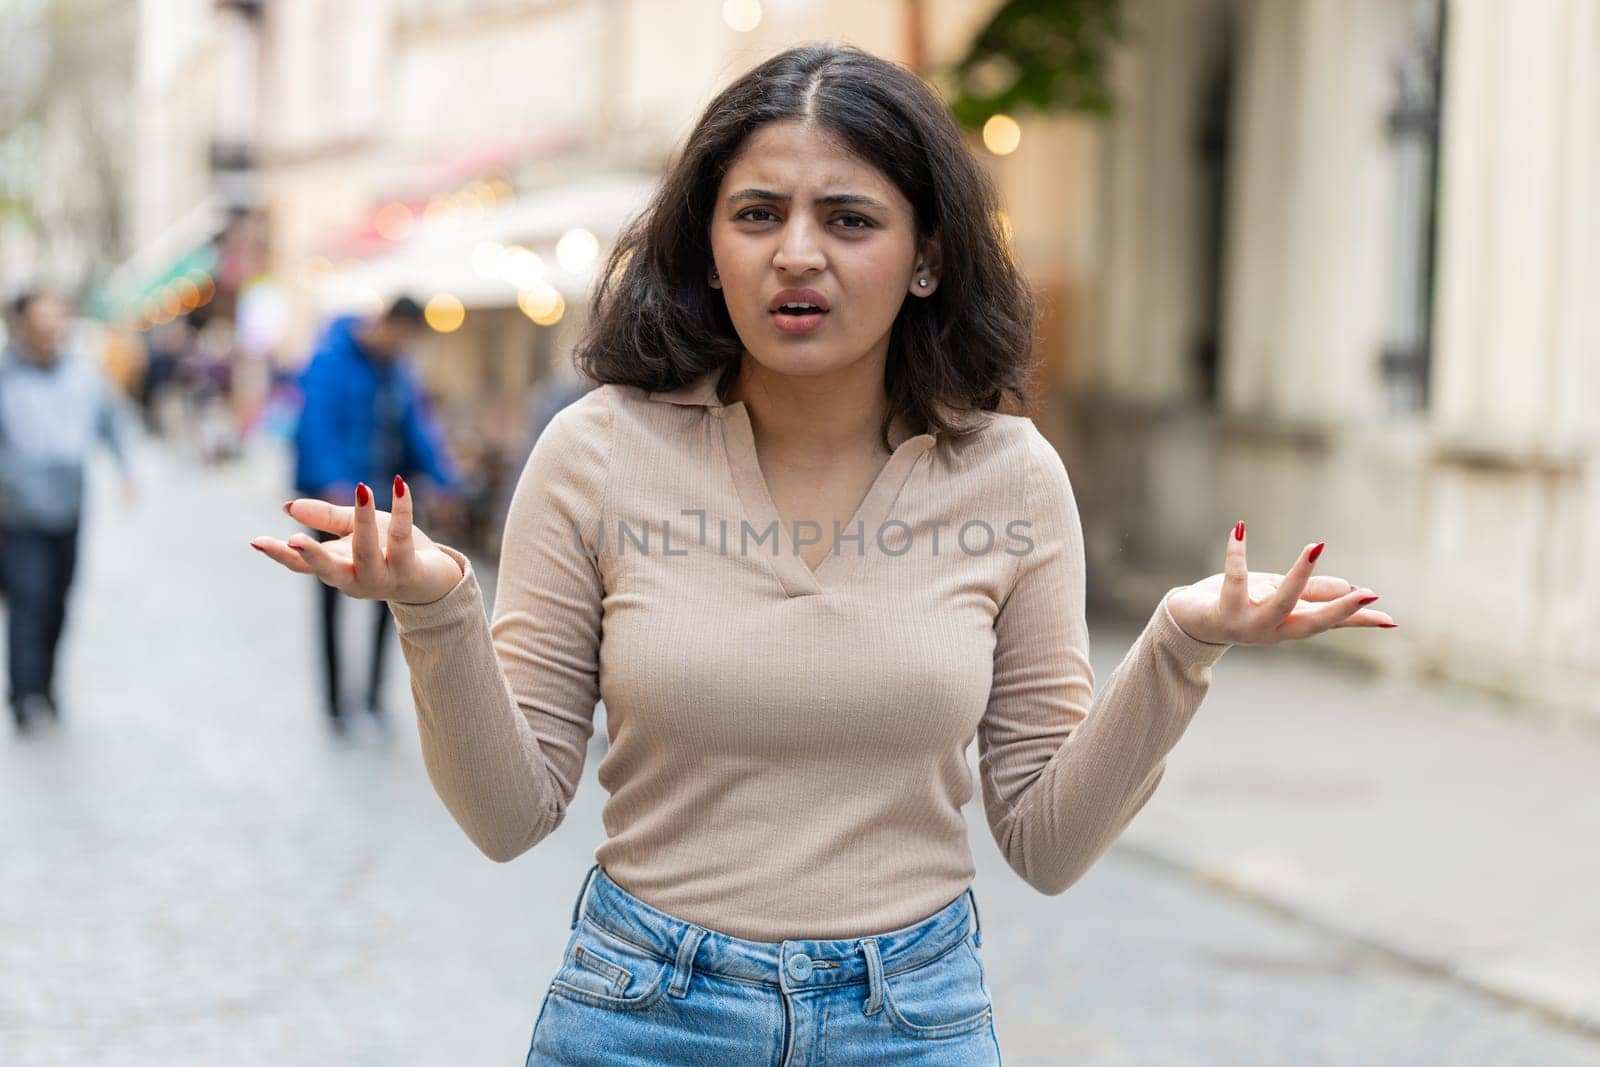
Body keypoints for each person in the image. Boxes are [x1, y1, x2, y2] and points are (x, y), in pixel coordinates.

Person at [250, 43, 1397, 1064]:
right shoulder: (594, 453)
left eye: (848, 219)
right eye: (757, 214)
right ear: (706, 246)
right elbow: (509, 817)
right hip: (643, 1013)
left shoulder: (1010, 476)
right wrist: (440, 607)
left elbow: (1047, 842)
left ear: (926, 257)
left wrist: (1180, 648)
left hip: (914, 1019)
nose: (797, 253)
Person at [288, 295, 461, 731]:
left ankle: (372, 697)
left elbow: (416, 431)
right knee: (330, 600)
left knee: (392, 599)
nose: (403, 347)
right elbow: (315, 427)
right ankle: (335, 704)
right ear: (388, 324)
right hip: (336, 506)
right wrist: (333, 484)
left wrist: (446, 480)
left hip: (381, 501)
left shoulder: (397, 371)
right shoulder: (331, 359)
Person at [0, 288, 137, 731]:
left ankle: (46, 683)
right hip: (17, 511)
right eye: (41, 321)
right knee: (28, 599)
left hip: (69, 505)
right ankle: (22, 693)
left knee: (58, 600)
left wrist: (124, 469)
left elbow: (109, 419)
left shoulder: (82, 374)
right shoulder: (5, 376)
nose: (49, 331)